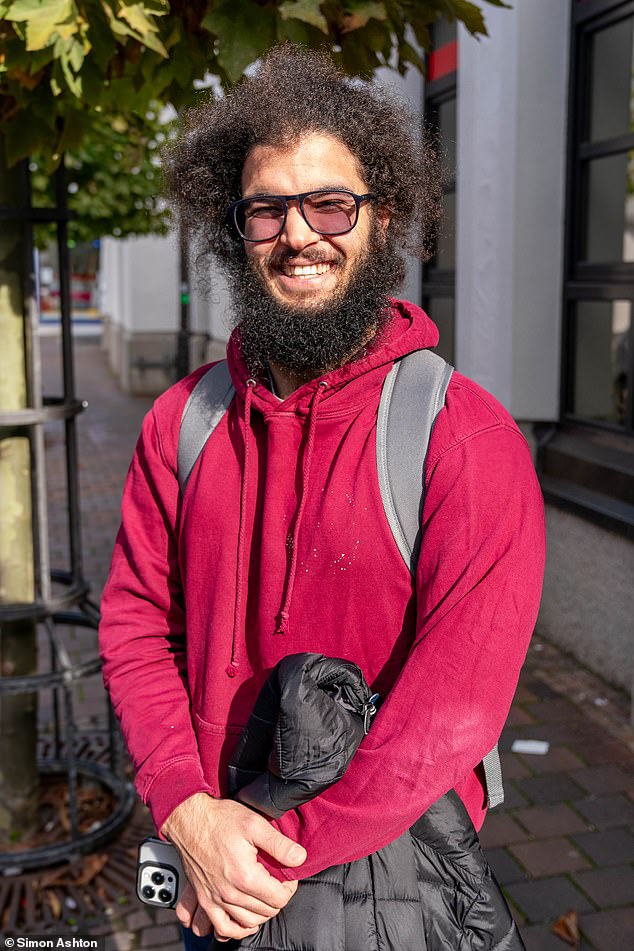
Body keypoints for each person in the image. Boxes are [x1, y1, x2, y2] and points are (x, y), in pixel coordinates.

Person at [99, 44, 546, 948]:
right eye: (267, 209)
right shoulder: (182, 423)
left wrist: (260, 858)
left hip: (386, 880)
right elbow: (138, 622)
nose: (299, 233)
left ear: (383, 222)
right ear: (235, 230)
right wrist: (187, 810)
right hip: (213, 859)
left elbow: (451, 709)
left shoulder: (465, 438)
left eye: (330, 204)